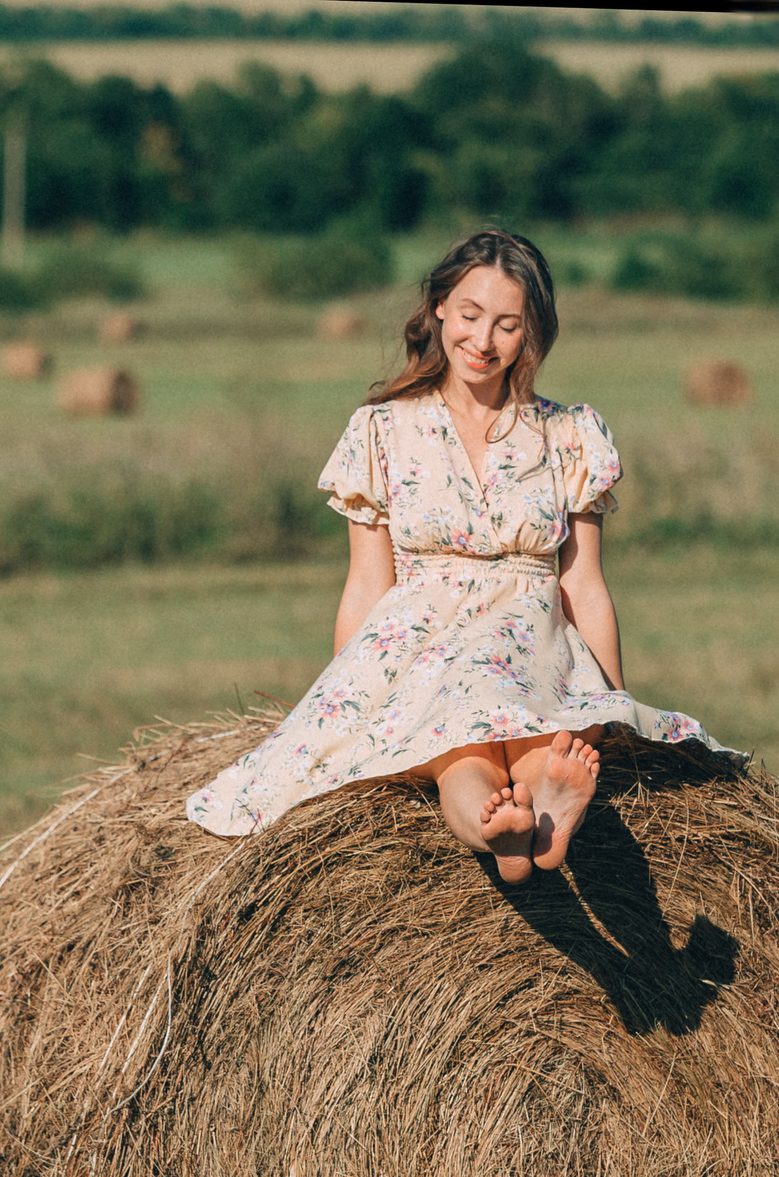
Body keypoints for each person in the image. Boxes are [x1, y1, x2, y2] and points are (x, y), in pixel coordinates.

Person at [186, 227, 731, 883]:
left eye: (506, 325)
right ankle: (502, 835)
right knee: (461, 754)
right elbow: (366, 580)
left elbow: (583, 582)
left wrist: (613, 707)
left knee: (545, 744)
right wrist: (350, 692)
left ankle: (547, 815)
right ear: (439, 306)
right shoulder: (382, 428)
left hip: (532, 631)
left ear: (532, 331)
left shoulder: (569, 433)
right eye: (470, 316)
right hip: (426, 639)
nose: (483, 341)